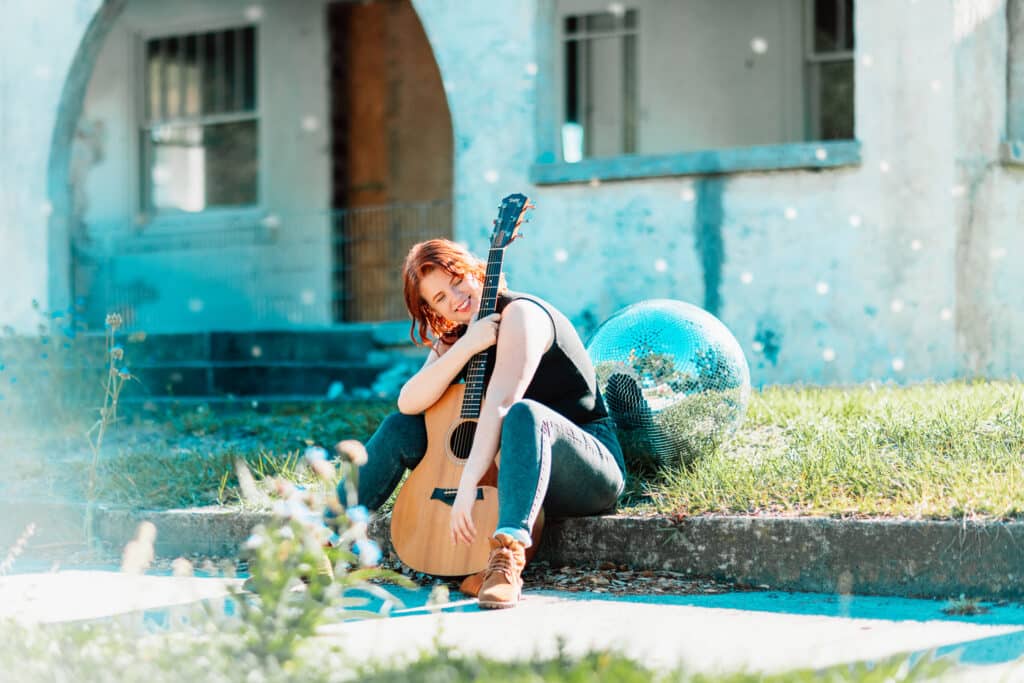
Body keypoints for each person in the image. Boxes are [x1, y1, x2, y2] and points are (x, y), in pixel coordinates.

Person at [350, 238, 626, 609]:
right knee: (402, 425)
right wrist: (465, 347)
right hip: (512, 475)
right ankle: (320, 536)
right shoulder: (462, 333)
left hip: (582, 468)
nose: (456, 300)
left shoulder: (523, 314)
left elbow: (502, 403)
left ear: (475, 269)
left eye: (457, 282)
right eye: (440, 300)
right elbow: (409, 401)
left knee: (523, 414)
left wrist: (467, 485)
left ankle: (506, 560)